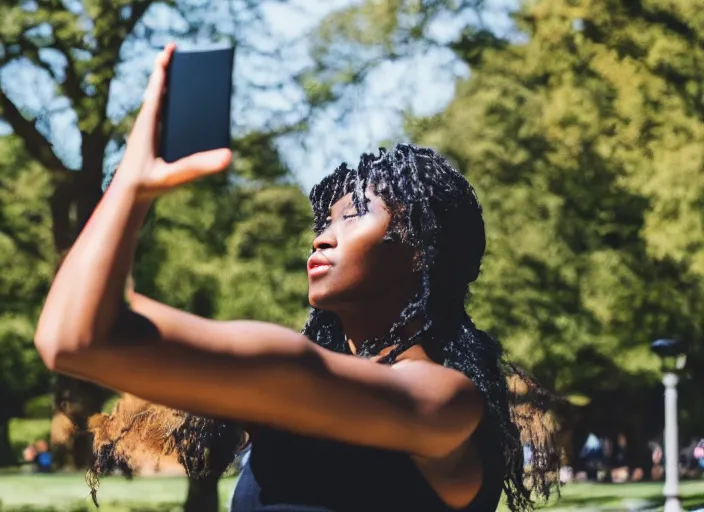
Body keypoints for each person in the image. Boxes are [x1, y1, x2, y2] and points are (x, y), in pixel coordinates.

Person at [34, 44, 559, 511]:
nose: (322, 237)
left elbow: (79, 338)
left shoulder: (442, 402)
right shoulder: (293, 400)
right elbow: (77, 337)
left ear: (421, 251)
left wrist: (134, 180)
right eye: (324, 222)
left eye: (353, 215)